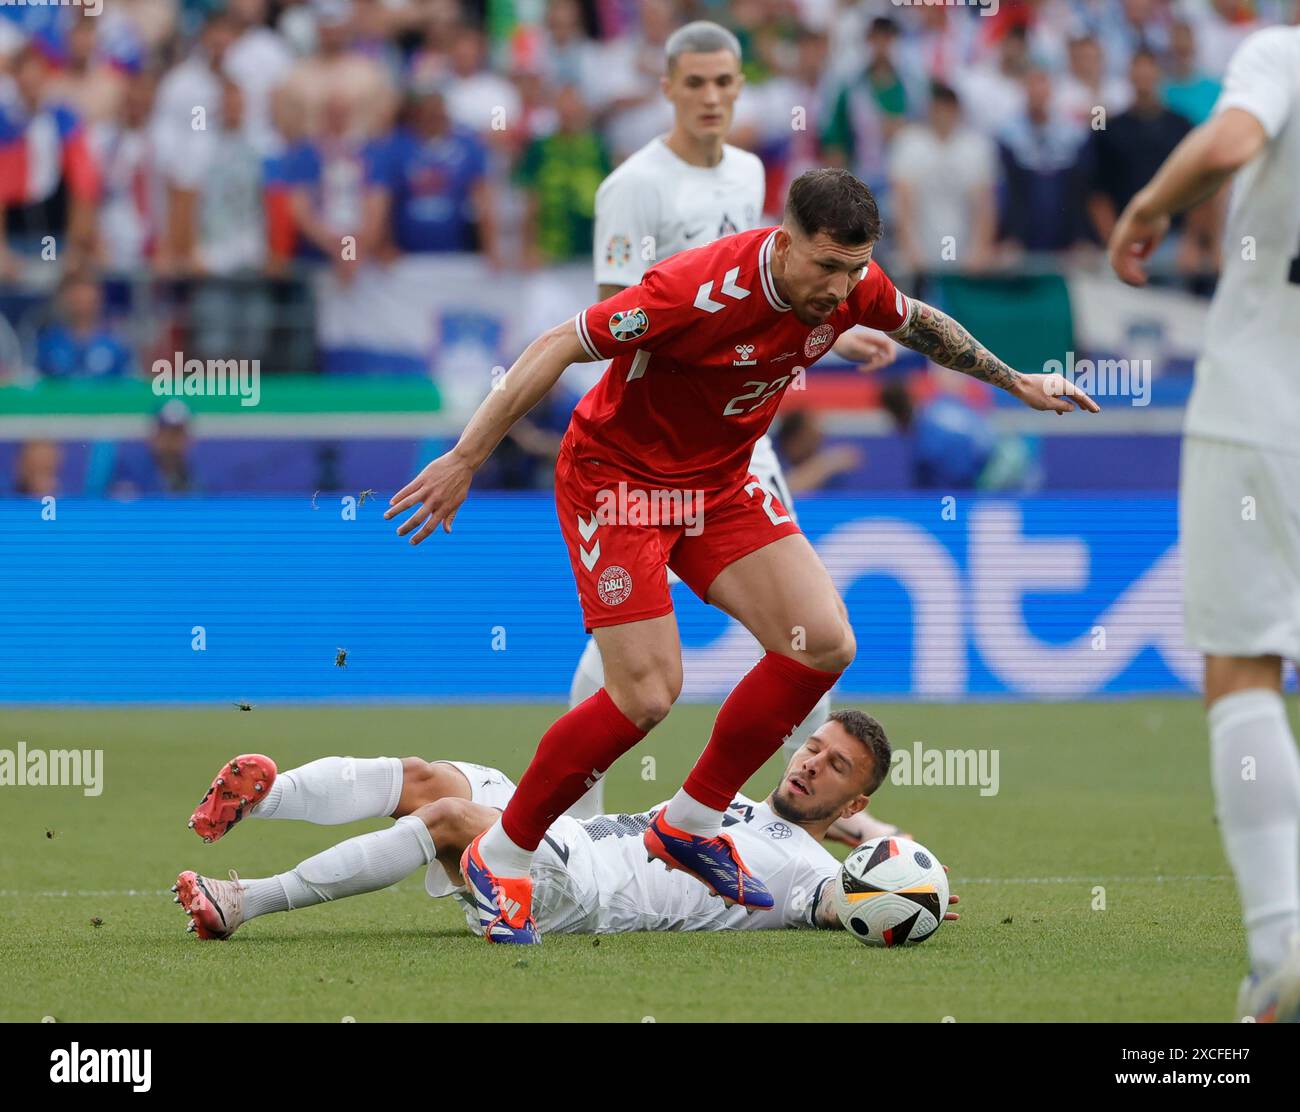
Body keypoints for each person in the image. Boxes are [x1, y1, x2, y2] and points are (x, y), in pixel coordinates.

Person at [385, 166, 1097, 945]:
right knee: (647, 693)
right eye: (827, 266)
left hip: (716, 486)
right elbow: (559, 343)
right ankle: (504, 854)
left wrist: (1015, 380)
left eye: (856, 267)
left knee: (823, 643)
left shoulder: (851, 286)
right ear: (784, 241)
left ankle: (688, 825)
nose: (842, 285)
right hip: (617, 483)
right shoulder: (693, 290)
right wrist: (466, 456)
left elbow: (921, 322)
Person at [568, 22, 898, 847]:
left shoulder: (752, 171)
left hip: (744, 429)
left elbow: (780, 288)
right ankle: (579, 816)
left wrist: (835, 329)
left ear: (741, 85)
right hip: (657, 438)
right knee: (632, 647)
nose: (712, 98)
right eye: (696, 83)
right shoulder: (634, 185)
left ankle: (795, 813)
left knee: (808, 633)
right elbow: (618, 315)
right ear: (668, 86)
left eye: (725, 82)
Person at [1108, 25, 1300, 1023]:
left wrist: (1146, 206)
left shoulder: (1281, 52)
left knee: (1242, 668)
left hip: (1264, 409)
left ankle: (1280, 947)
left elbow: (1227, 143)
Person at [173, 710, 959, 940]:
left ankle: (245, 903)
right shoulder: (743, 806)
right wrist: (871, 833)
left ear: (852, 800)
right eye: (813, 747)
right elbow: (847, 831)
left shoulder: (808, 877)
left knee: (450, 817)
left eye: (835, 769)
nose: (810, 764)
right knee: (435, 778)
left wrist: (900, 893)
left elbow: (841, 902)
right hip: (574, 837)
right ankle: (264, 796)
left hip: (582, 891)